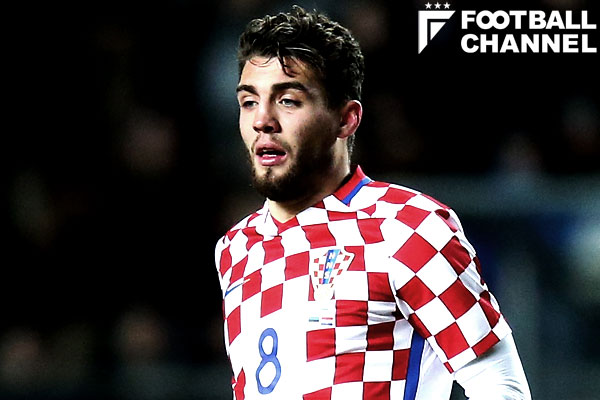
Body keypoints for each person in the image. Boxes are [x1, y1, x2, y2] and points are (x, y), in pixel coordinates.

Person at [214, 6, 531, 400]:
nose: (262, 120)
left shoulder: (406, 227)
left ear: (346, 119)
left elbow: (499, 385)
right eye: (249, 102)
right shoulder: (236, 247)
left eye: (288, 100)